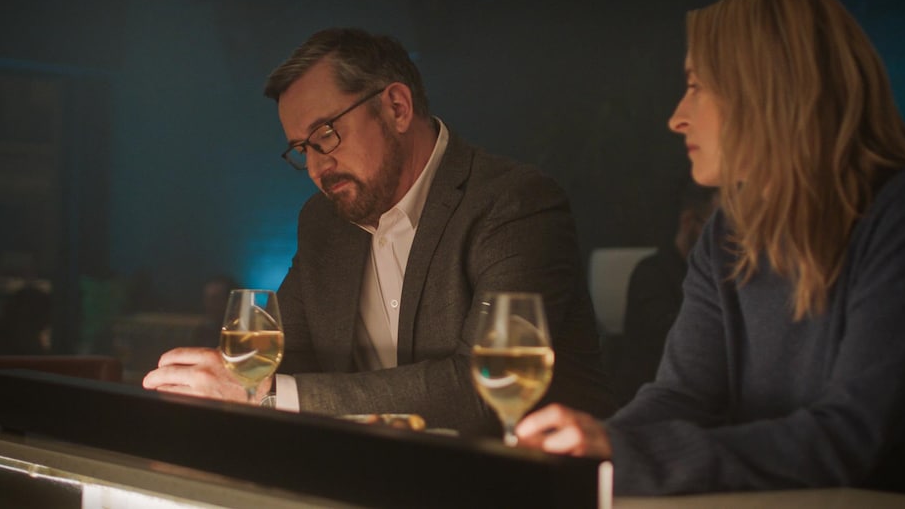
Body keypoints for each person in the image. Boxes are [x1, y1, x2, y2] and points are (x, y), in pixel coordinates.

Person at [516, 0, 905, 500]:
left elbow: (849, 438)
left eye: (697, 86)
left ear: (770, 89)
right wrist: (591, 449)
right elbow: (686, 394)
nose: (676, 117)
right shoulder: (729, 228)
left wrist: (623, 454)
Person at [143, 28, 616, 436]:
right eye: (301, 149)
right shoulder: (324, 221)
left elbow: (481, 389)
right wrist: (215, 383)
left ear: (396, 106)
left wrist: (263, 396)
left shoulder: (513, 202)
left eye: (325, 134)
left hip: (524, 485)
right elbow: (286, 354)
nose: (315, 167)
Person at [610, 181, 717, 404]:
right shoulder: (651, 275)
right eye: (718, 228)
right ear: (689, 221)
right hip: (648, 403)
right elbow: (681, 345)